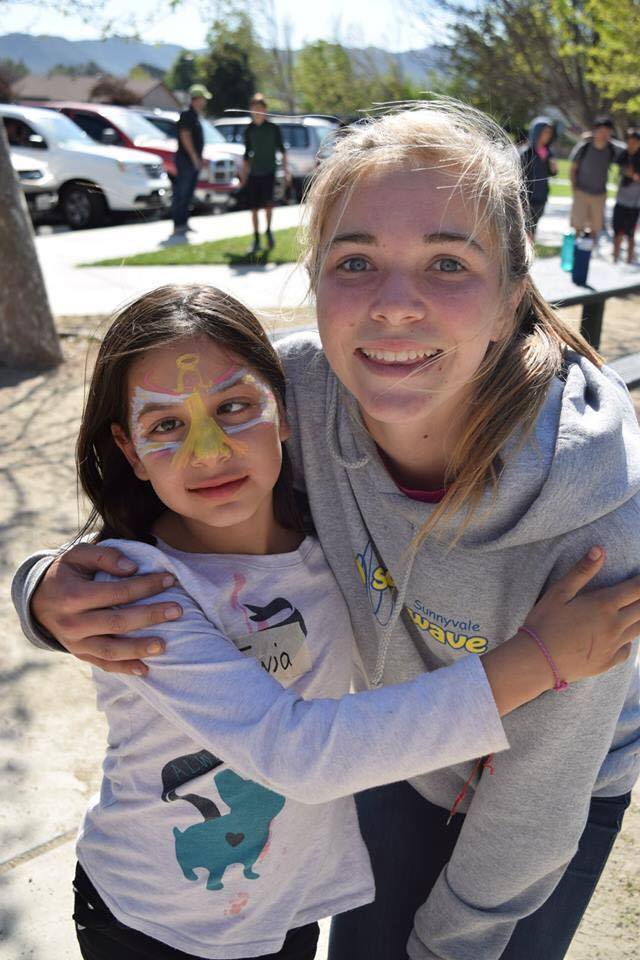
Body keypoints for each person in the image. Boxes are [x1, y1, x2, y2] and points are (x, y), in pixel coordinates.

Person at [12, 101, 640, 960]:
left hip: (540, 796)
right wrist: (45, 590)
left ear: (511, 300)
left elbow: (542, 789)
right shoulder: (297, 394)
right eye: (356, 260)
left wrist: (454, 943)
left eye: (448, 261)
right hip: (384, 758)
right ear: (316, 282)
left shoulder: (602, 510)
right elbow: (166, 489)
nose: (394, 307)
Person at [241, 94, 289, 254]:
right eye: (254, 109)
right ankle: (256, 238)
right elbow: (247, 154)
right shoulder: (249, 129)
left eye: (260, 109)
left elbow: (282, 151)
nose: (257, 112)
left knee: (268, 205)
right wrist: (243, 174)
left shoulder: (273, 128)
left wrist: (286, 170)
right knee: (253, 208)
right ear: (251, 110)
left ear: (265, 110)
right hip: (254, 173)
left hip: (269, 172)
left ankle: (268, 230)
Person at [171, 83, 212, 236]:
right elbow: (185, 136)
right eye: (203, 99)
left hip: (193, 160)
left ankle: (184, 223)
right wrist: (195, 157)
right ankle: (178, 224)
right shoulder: (187, 116)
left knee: (188, 194)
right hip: (186, 160)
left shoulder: (195, 116)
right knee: (182, 192)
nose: (205, 102)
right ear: (196, 99)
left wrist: (200, 158)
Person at [569, 116, 618, 241]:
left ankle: (590, 252)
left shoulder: (612, 148)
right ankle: (577, 251)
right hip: (581, 192)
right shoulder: (584, 147)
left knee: (596, 227)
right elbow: (573, 168)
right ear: (594, 131)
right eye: (601, 131)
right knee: (578, 226)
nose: (603, 134)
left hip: (600, 194)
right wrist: (575, 188)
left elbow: (629, 149)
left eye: (607, 131)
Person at [519, 116, 557, 238]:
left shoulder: (548, 152)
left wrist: (553, 168)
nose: (547, 135)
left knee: (533, 229)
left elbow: (551, 173)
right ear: (537, 132)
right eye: (545, 132)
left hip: (541, 196)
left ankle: (530, 255)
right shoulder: (526, 152)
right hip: (527, 198)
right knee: (524, 230)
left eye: (549, 133)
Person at [612, 128, 640, 264]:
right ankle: (615, 259)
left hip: (634, 203)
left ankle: (629, 260)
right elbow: (611, 143)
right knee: (617, 232)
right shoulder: (623, 155)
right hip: (621, 200)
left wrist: (634, 176)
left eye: (634, 141)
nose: (631, 144)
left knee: (630, 234)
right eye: (629, 141)